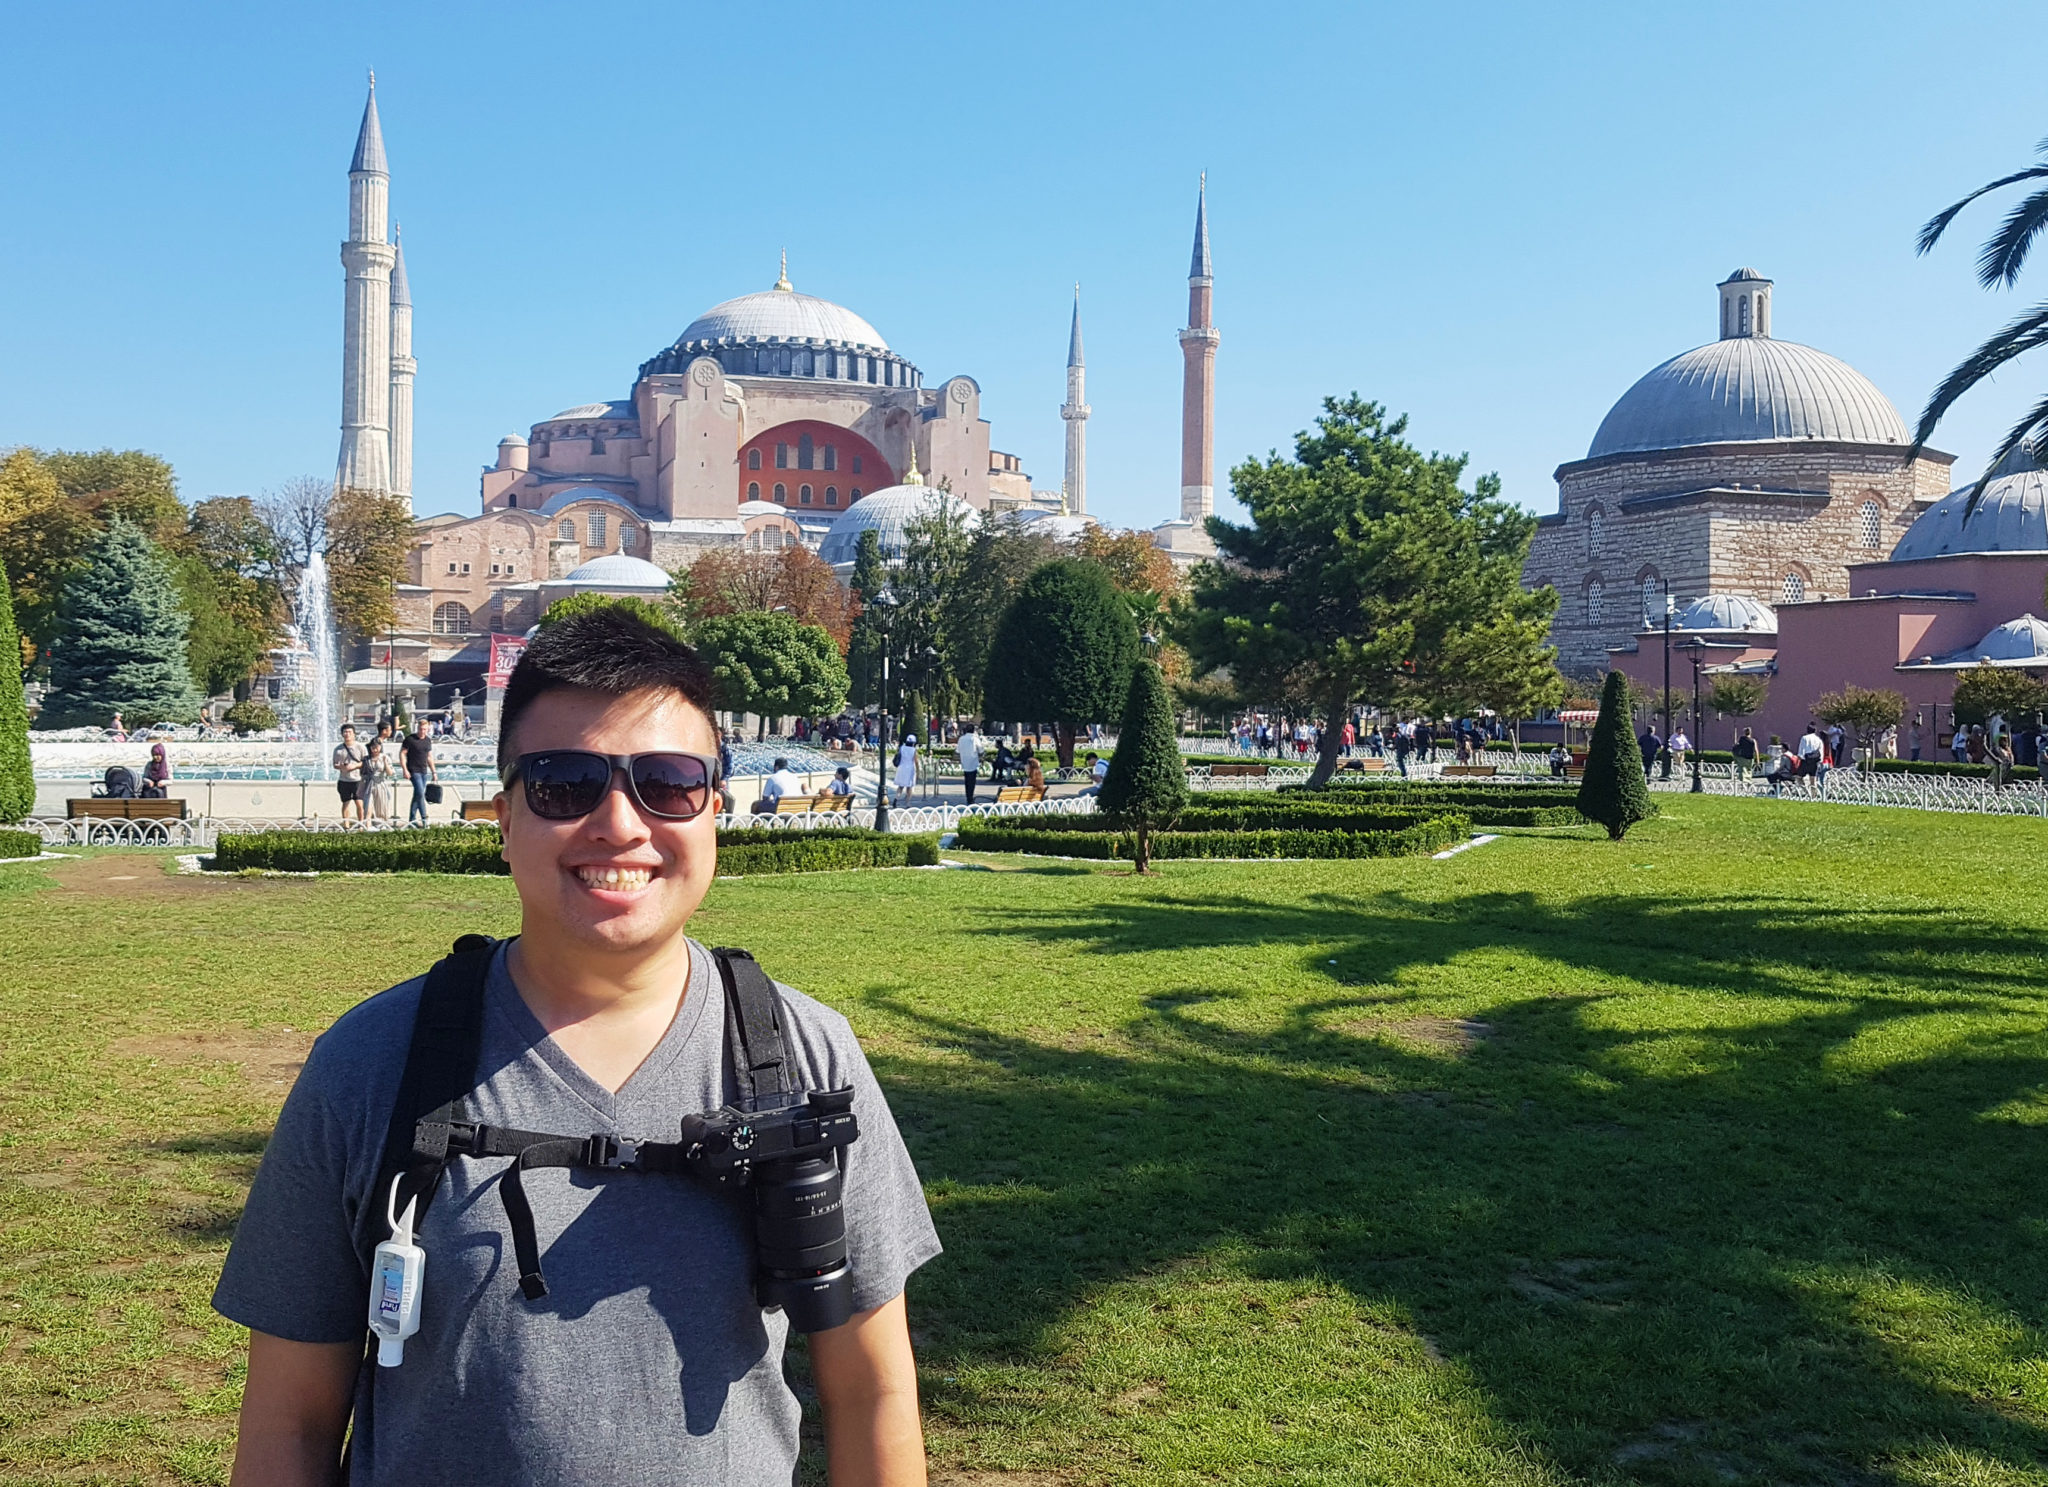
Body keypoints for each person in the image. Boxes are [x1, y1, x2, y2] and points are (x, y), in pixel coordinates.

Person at [213, 605, 938, 1487]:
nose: (620, 824)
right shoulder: (372, 1063)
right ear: (504, 814)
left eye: (667, 782)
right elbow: (290, 1422)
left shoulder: (804, 1057)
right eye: (565, 783)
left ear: (715, 809)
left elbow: (871, 1391)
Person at [403, 718, 438, 826]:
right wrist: (404, 769)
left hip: (423, 771)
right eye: (420, 729)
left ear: (428, 729)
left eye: (424, 729)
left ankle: (412, 820)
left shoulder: (427, 740)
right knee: (421, 793)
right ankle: (424, 820)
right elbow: (402, 753)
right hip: (413, 770)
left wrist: (434, 772)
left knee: (418, 795)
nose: (422, 731)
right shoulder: (410, 739)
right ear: (417, 728)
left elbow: (429, 757)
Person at [333, 725, 367, 821]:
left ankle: (361, 824)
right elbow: (335, 764)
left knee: (359, 803)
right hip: (344, 780)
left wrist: (355, 766)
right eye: (345, 732)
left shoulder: (360, 747)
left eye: (349, 732)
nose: (347, 734)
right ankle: (346, 825)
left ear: (354, 734)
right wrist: (341, 766)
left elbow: (365, 762)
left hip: (358, 780)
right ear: (342, 734)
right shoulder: (338, 749)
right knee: (345, 803)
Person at [363, 737, 396, 822]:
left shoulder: (385, 757)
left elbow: (390, 773)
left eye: (377, 747)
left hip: (380, 783)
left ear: (380, 747)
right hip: (369, 784)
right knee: (368, 805)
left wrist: (385, 763)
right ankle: (367, 824)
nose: (375, 750)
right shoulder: (366, 759)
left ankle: (381, 824)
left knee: (381, 806)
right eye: (373, 747)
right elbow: (363, 773)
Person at [1796, 722, 1826, 795]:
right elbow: (1821, 751)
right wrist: (1820, 761)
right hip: (1815, 761)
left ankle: (1806, 792)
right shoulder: (1819, 740)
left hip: (1805, 761)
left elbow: (1801, 750)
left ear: (1807, 730)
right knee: (1813, 780)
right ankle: (1813, 795)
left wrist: (1799, 758)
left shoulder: (1804, 738)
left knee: (1799, 777)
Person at [957, 725, 982, 805]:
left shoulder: (961, 739)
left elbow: (957, 751)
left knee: (967, 781)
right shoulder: (975, 739)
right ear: (973, 730)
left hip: (965, 762)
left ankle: (968, 796)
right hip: (973, 763)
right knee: (972, 782)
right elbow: (981, 750)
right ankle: (970, 797)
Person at [891, 733, 918, 807]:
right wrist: (918, 770)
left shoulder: (902, 748)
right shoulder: (913, 750)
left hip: (901, 768)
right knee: (909, 787)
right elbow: (916, 761)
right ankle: (908, 803)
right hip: (910, 769)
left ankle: (896, 798)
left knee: (901, 786)